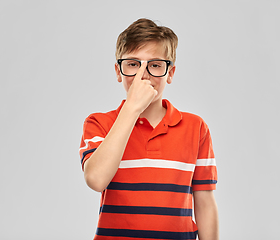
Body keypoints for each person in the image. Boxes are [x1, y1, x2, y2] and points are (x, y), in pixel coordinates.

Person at [79, 18, 219, 240]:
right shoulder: (99, 123)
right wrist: (132, 109)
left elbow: (205, 203)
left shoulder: (196, 127)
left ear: (170, 73)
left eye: (154, 65)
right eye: (133, 64)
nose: (143, 75)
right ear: (118, 72)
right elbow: (96, 179)